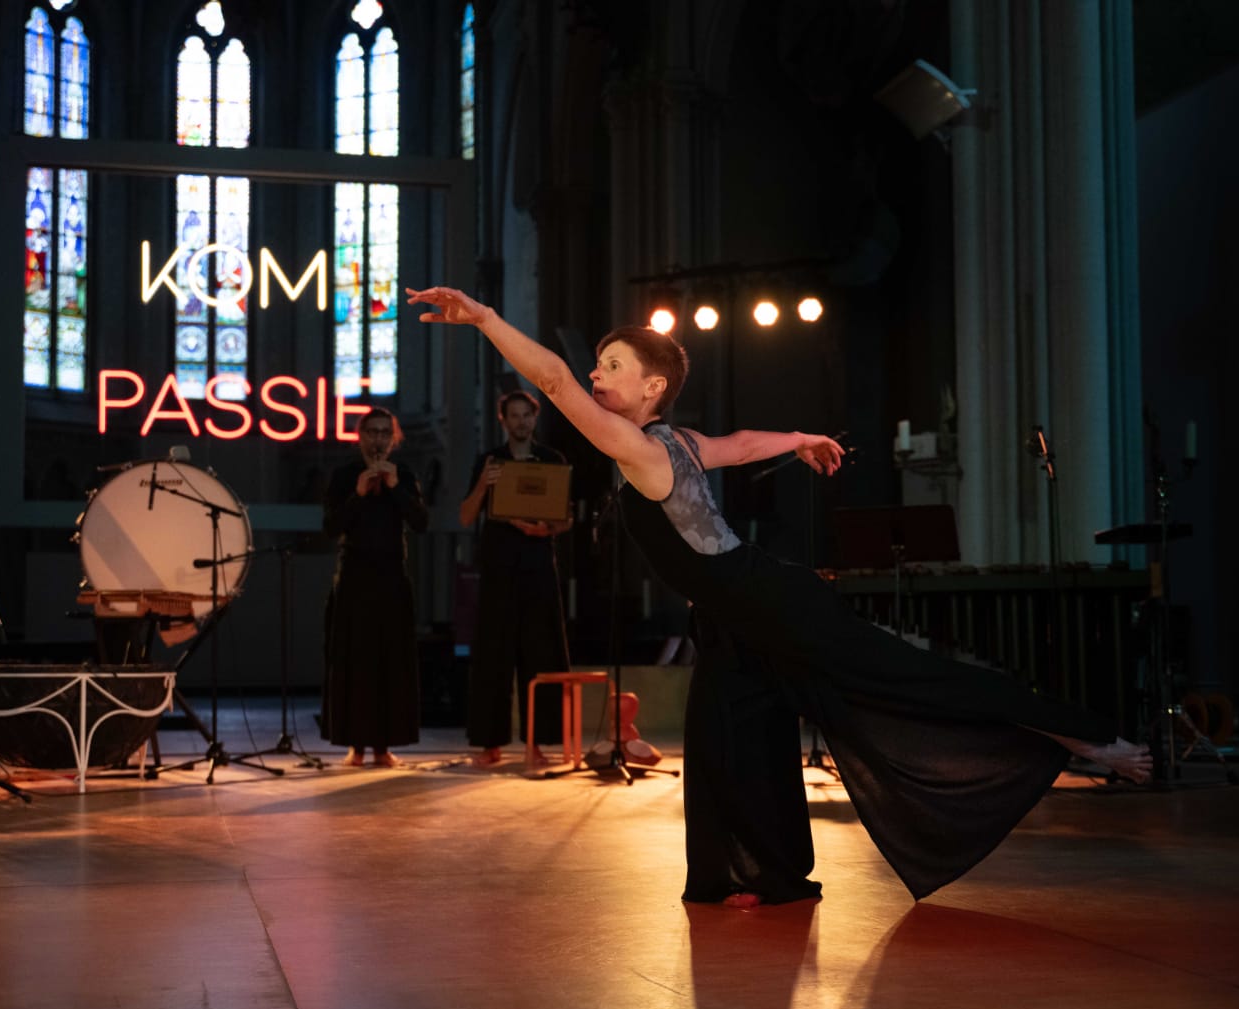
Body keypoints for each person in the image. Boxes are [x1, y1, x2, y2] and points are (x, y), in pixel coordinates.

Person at [408, 285, 1151, 908]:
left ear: (653, 388)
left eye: (612, 366)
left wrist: (484, 318)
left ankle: (1082, 735)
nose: (595, 376)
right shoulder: (679, 442)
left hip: (765, 599)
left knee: (903, 674)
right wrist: (798, 438)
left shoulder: (640, 446)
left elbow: (553, 382)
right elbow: (738, 445)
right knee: (723, 737)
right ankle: (763, 875)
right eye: (597, 365)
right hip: (732, 618)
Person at [458, 390, 573, 768]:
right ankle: (488, 744)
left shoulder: (551, 460)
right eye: (515, 415)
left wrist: (545, 529)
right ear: (503, 420)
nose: (521, 421)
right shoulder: (490, 461)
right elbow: (465, 516)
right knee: (492, 655)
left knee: (540, 654)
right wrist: (483, 484)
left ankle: (537, 744)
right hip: (498, 568)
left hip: (538, 568)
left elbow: (565, 518)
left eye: (527, 415)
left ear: (535, 419)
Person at [320, 407, 427, 767]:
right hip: (354, 578)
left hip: (392, 578)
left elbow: (420, 522)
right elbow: (331, 527)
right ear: (360, 437)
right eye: (372, 432)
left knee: (390, 663)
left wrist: (395, 489)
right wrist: (358, 494)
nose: (378, 439)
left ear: (394, 438)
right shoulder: (344, 476)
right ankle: (356, 746)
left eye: (385, 433)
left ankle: (383, 747)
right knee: (354, 663)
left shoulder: (404, 474)